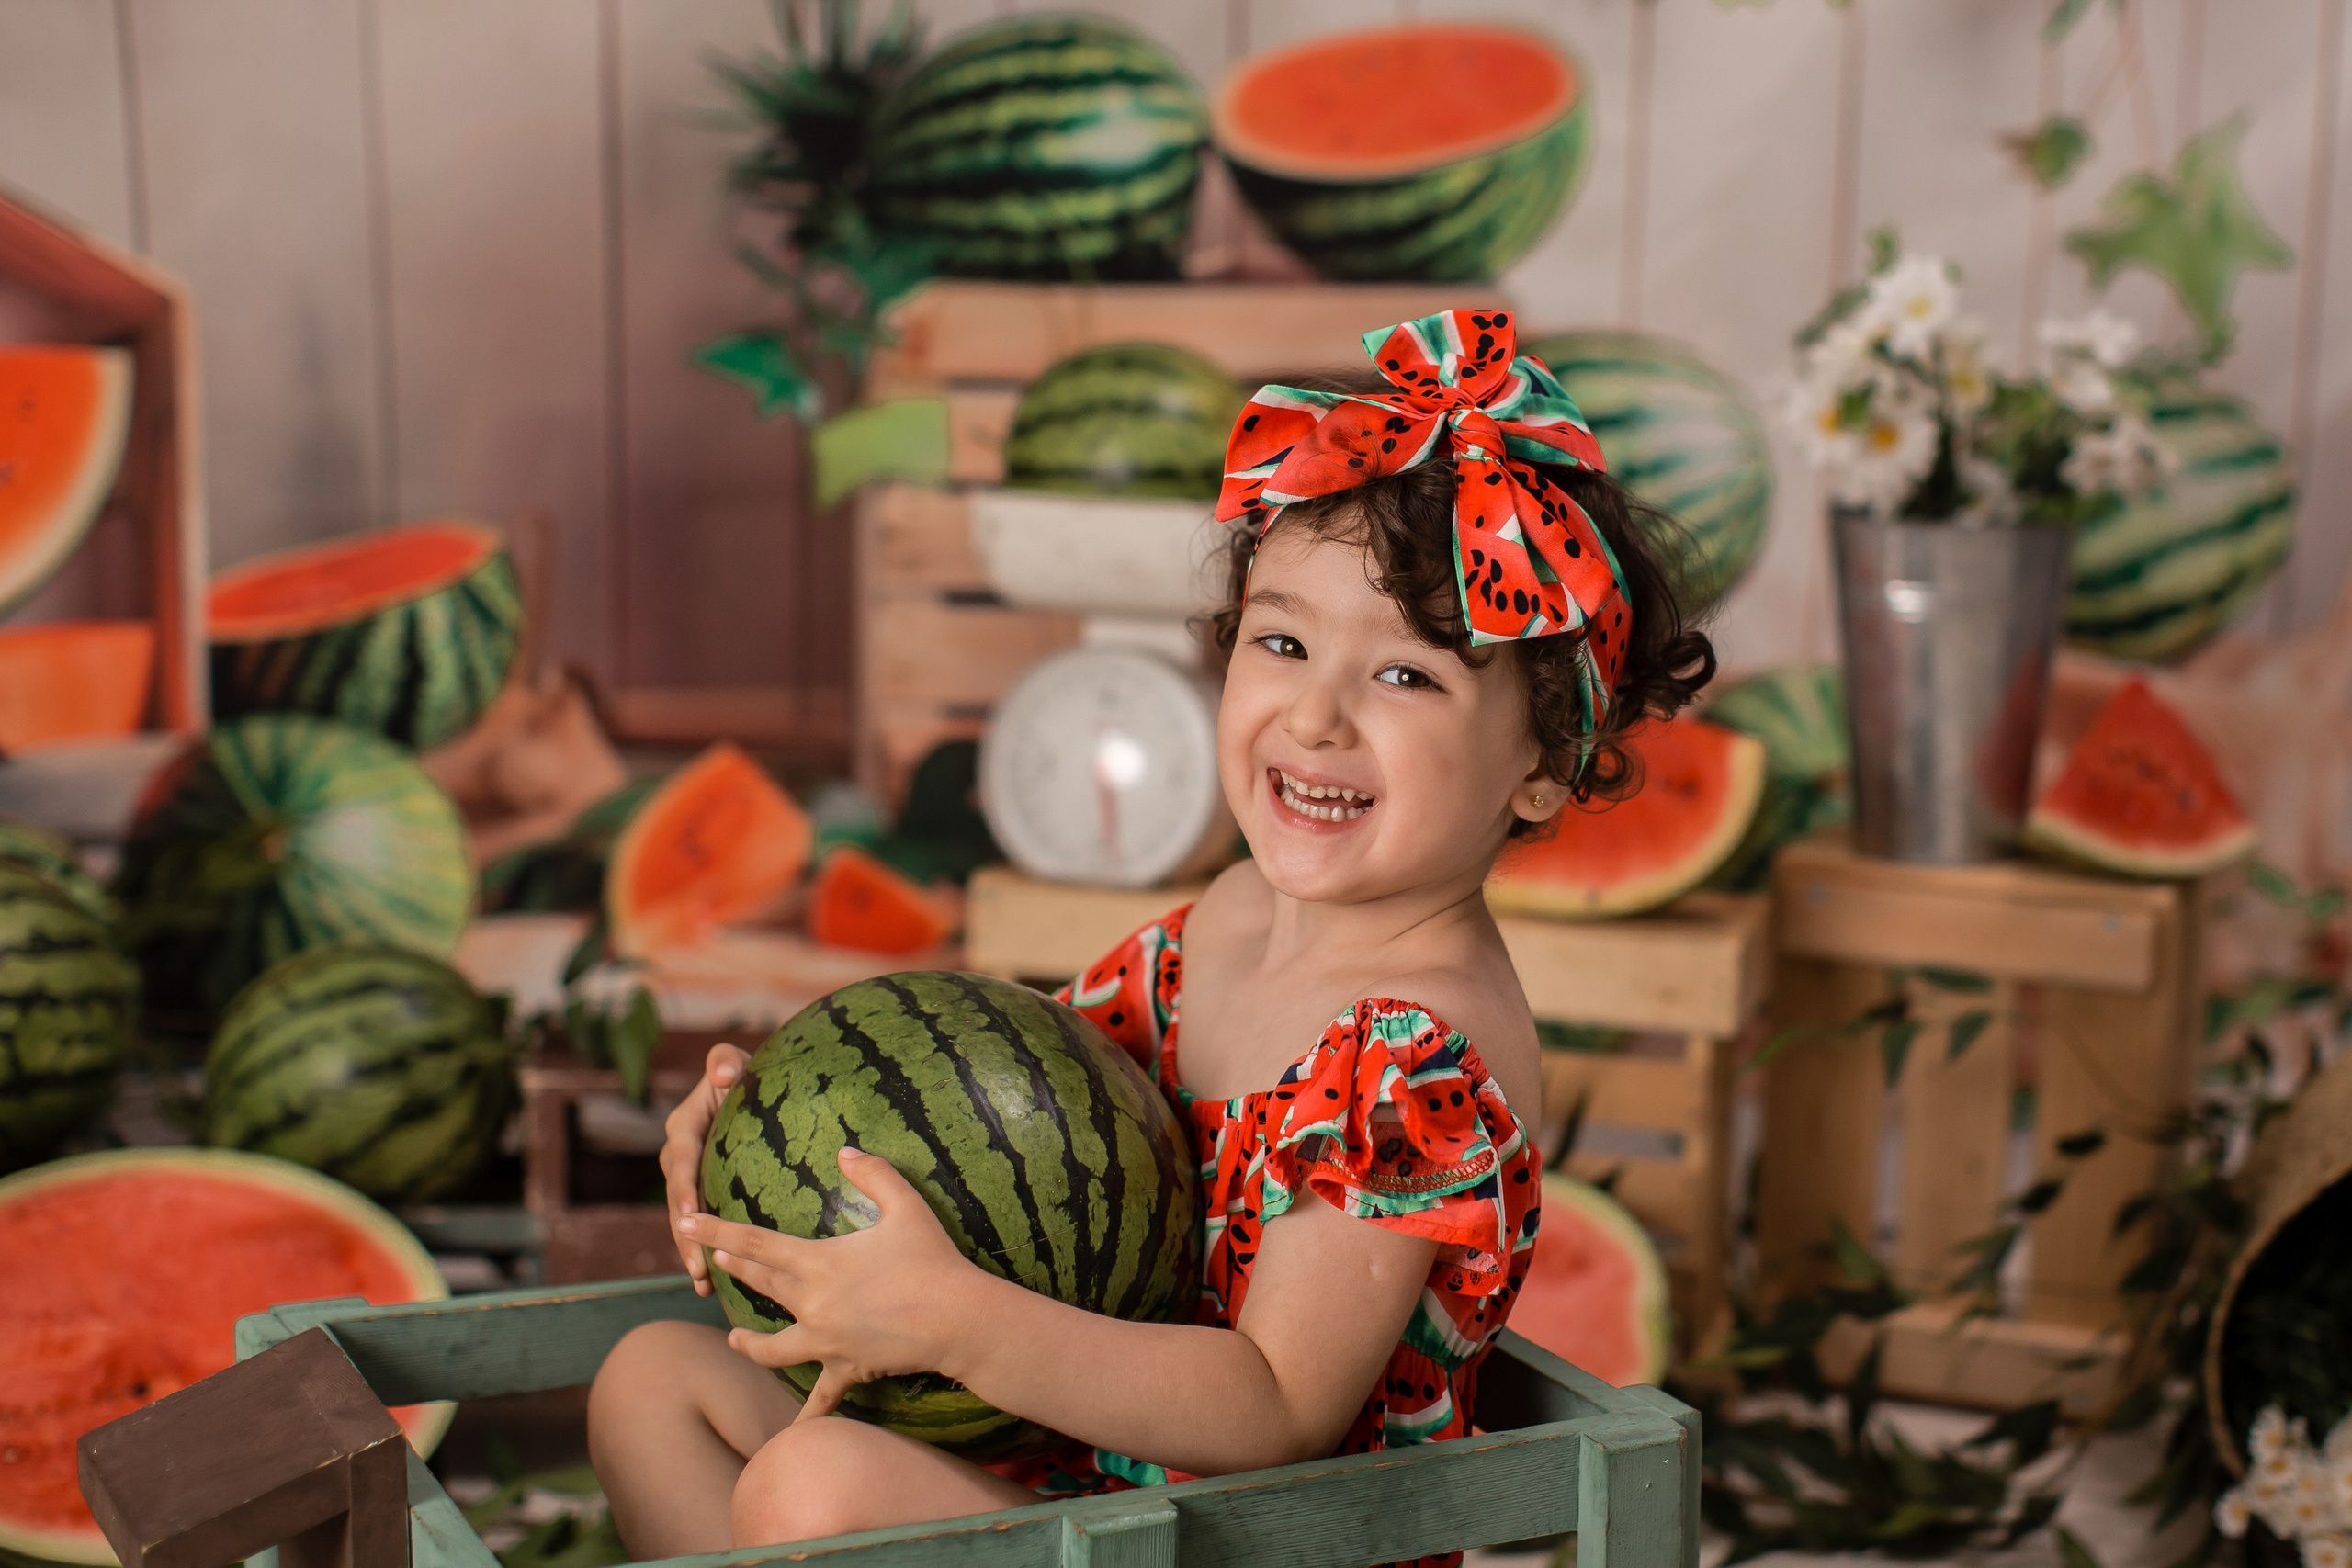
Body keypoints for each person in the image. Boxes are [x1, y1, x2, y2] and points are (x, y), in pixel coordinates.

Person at [586, 309, 1715, 1565]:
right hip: (1083, 1466)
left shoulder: (1417, 1058)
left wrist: (957, 1324)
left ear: (1547, 764)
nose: (1318, 716)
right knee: (653, 1382)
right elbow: (1005, 1121)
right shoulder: (1220, 921)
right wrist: (775, 1138)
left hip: (1261, 1540)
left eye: (1408, 676)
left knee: (815, 1491)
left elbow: (1276, 1410)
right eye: (1282, 641)